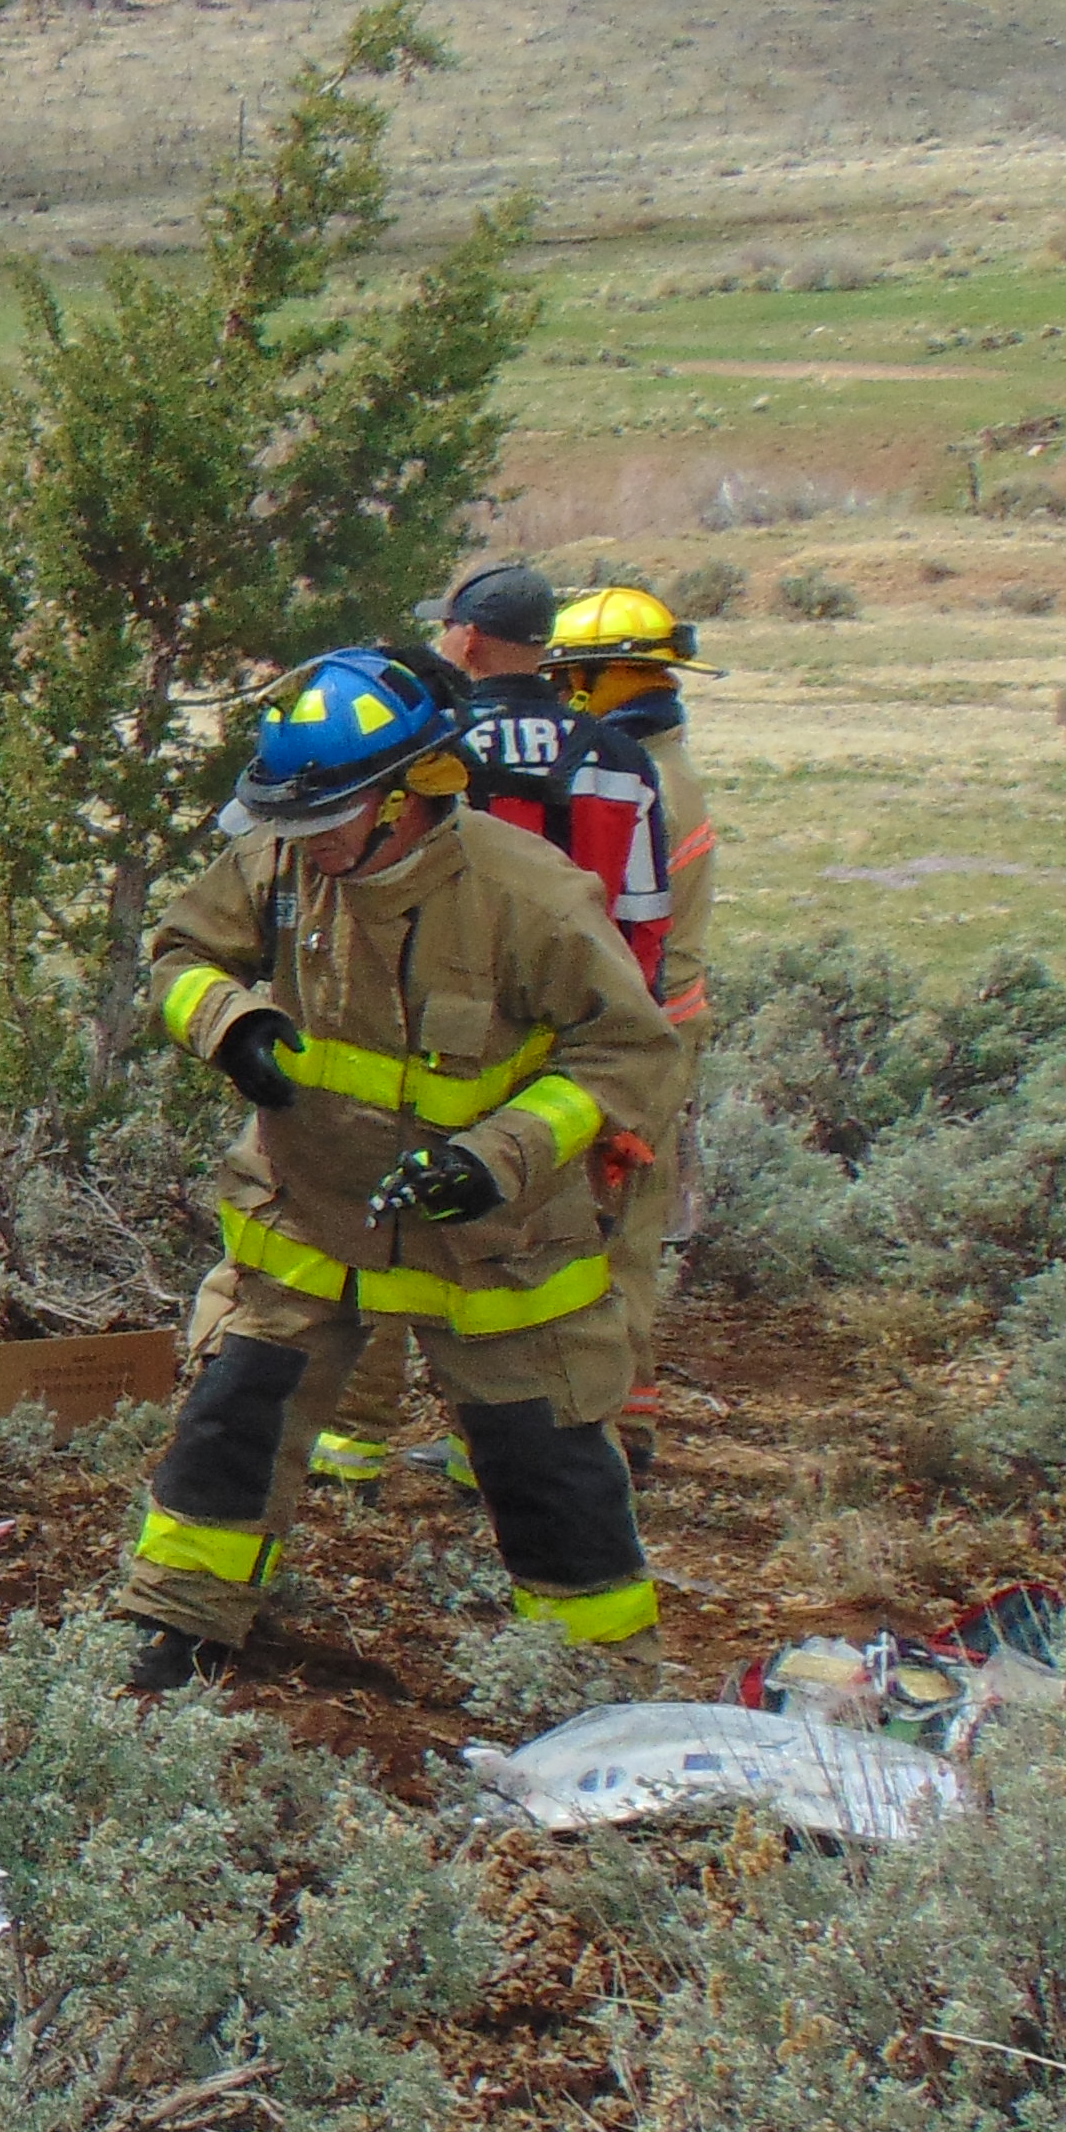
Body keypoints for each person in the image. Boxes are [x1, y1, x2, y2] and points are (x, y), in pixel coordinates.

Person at [108, 646, 682, 1694]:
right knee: (237, 1417)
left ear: (416, 788)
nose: (303, 840)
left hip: (493, 1239)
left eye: (329, 812)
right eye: (288, 817)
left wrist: (495, 1157)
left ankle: (597, 1682)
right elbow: (179, 955)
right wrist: (227, 1024)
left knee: (539, 1455)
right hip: (310, 1211)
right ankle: (175, 1623)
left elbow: (629, 1053)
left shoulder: (527, 899)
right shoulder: (281, 863)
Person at [307, 558, 674, 1491]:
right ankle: (515, 1442)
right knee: (549, 1247)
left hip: (443, 1017)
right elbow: (642, 920)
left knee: (383, 1215)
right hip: (572, 1032)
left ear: (465, 639)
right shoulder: (618, 761)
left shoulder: (436, 747)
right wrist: (617, 1053)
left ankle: (351, 1441)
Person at [547, 581, 720, 1466]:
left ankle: (613, 1429)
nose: (565, 695)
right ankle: (619, 1418)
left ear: (616, 677)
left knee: (612, 1229)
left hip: (640, 1039)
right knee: (624, 1224)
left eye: (577, 677)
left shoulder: (645, 782)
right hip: (658, 1028)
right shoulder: (659, 765)